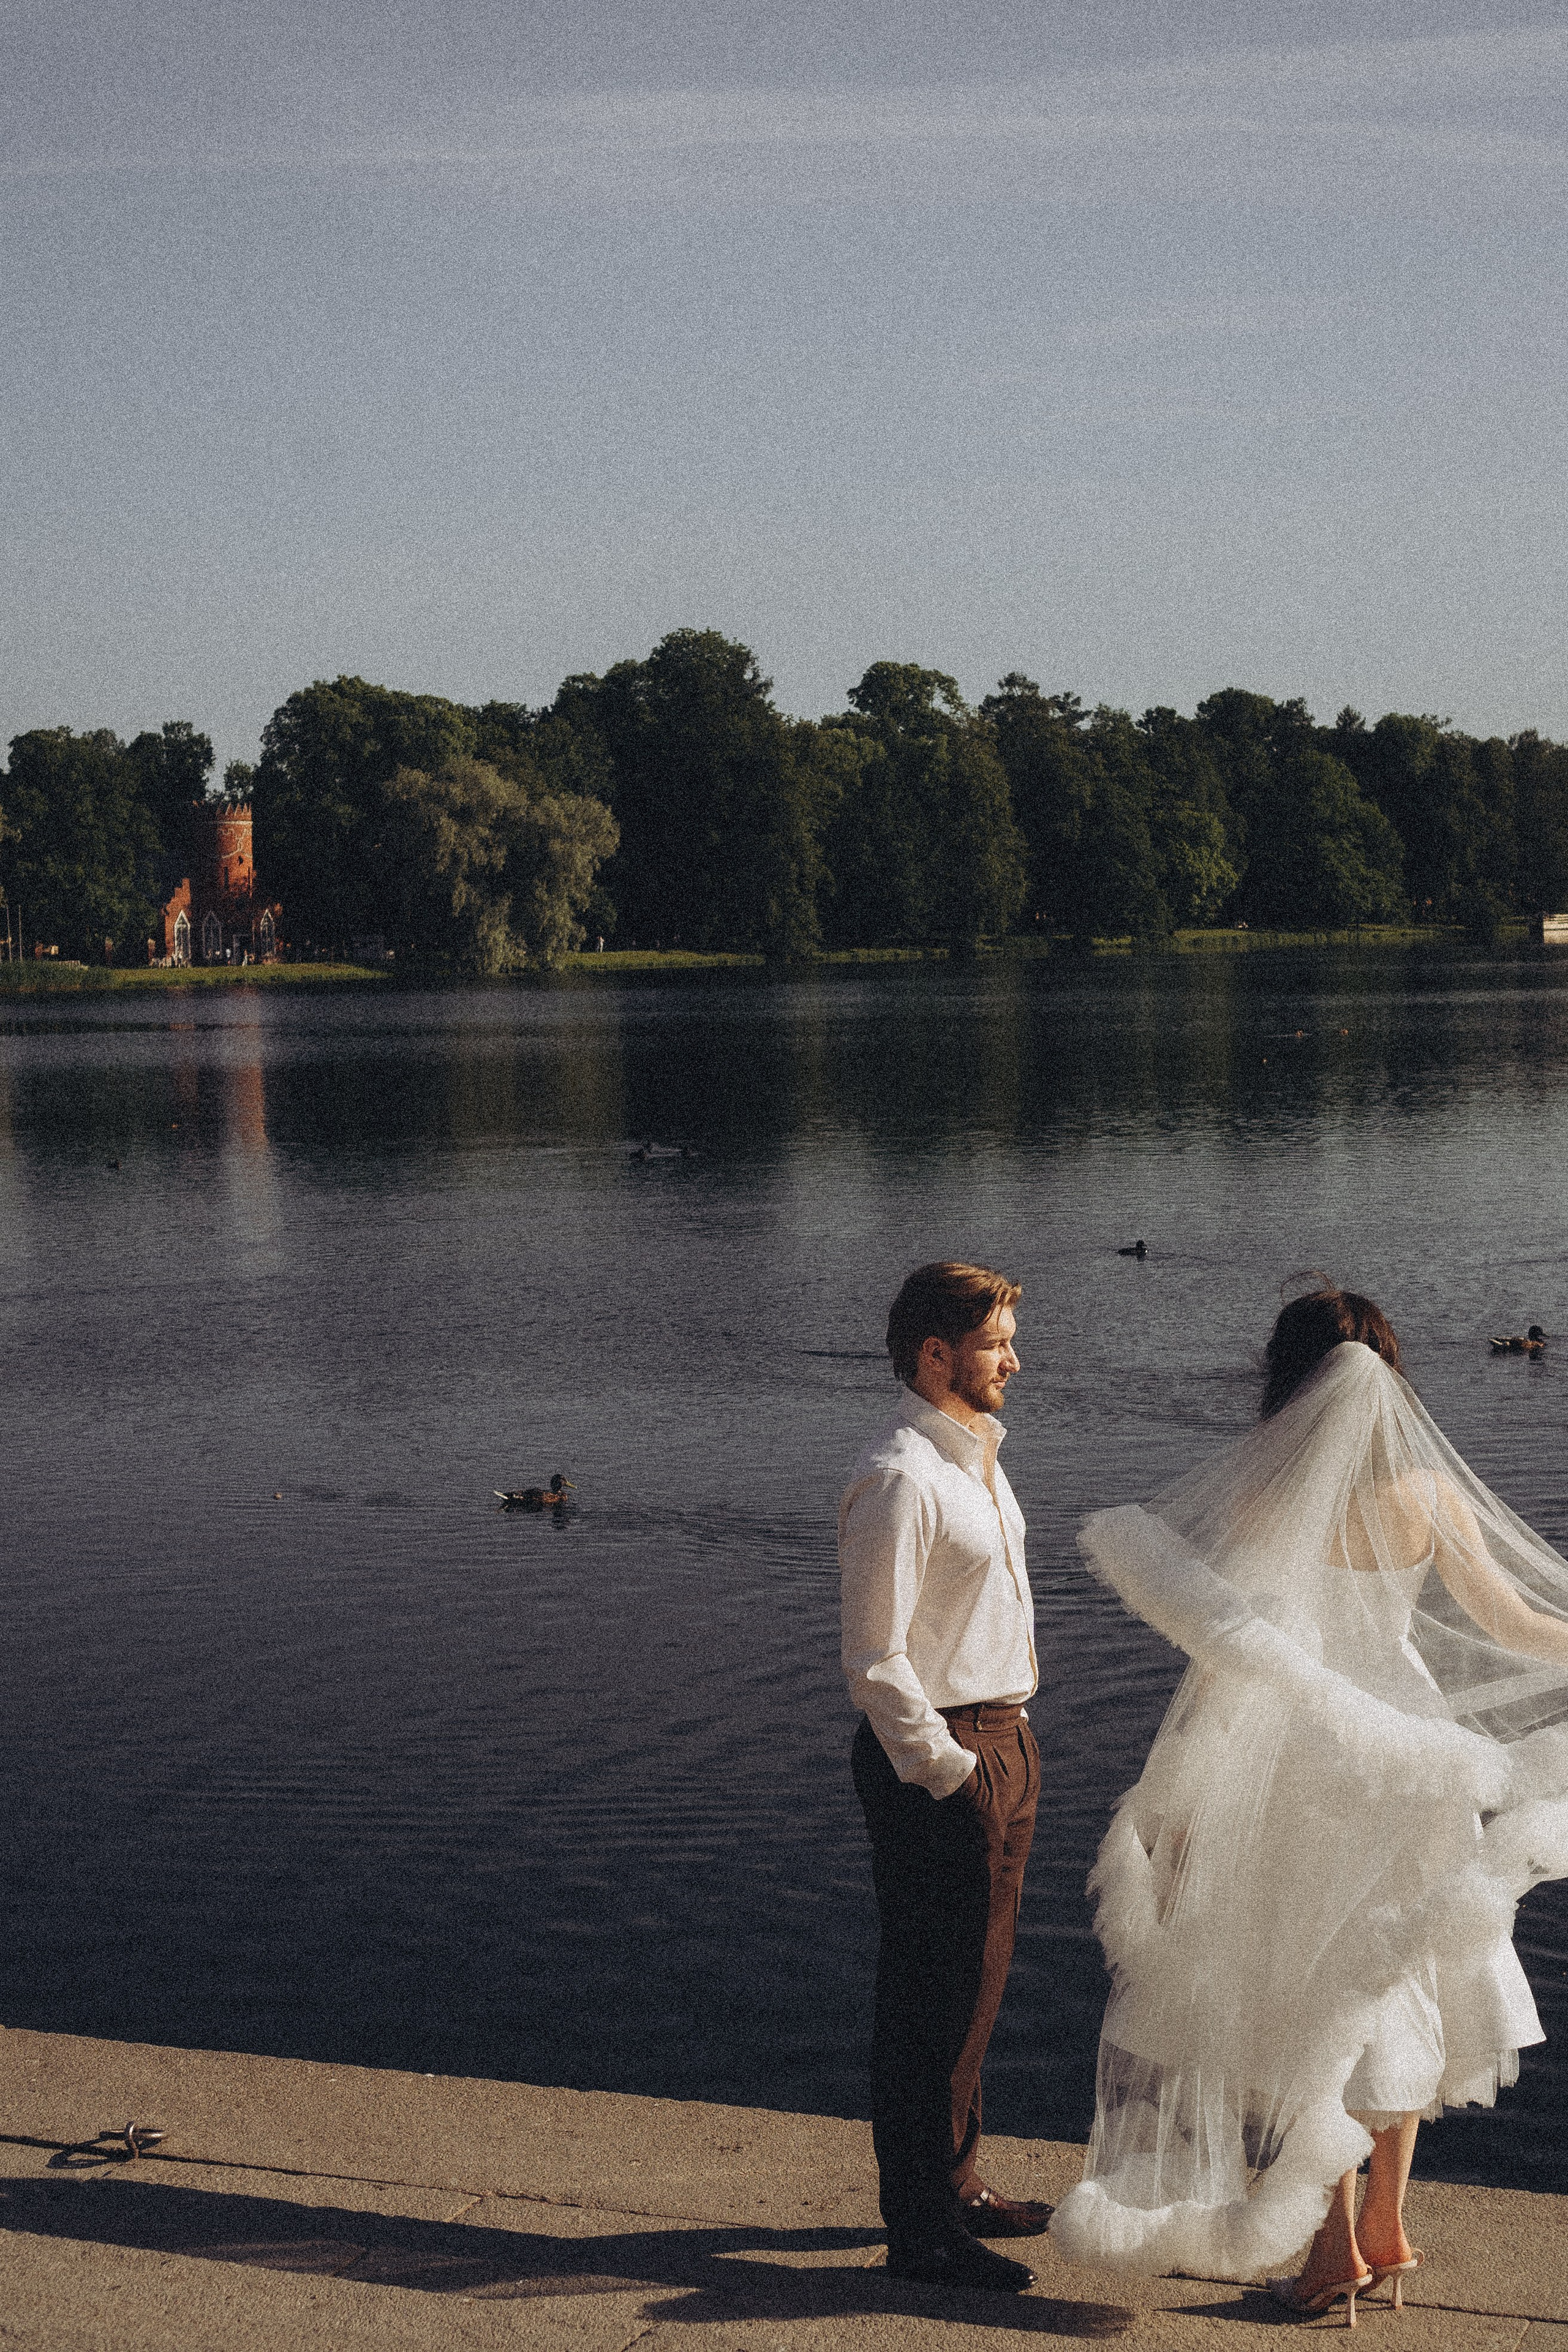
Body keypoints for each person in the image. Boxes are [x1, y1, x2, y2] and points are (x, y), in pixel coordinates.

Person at [1049, 1281, 1568, 2324]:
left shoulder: (1262, 1499)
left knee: (1301, 1995)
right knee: (1395, 1979)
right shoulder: (1428, 1496)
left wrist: (1187, 1801)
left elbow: (1235, 1667)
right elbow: (1513, 1621)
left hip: (1301, 1761)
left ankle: (1331, 2248)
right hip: (1414, 1757)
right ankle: (1388, 2225)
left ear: (1288, 1381)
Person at [840, 1261, 1050, 2293]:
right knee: (926, 1997)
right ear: (937, 1355)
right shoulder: (901, 1478)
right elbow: (876, 1661)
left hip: (1002, 1738)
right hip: (942, 1758)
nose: (1014, 1358)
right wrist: (955, 1774)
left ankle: (957, 2186)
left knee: (980, 1985)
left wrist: (1000, 1757)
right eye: (996, 1342)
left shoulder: (978, 1459)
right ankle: (917, 2228)